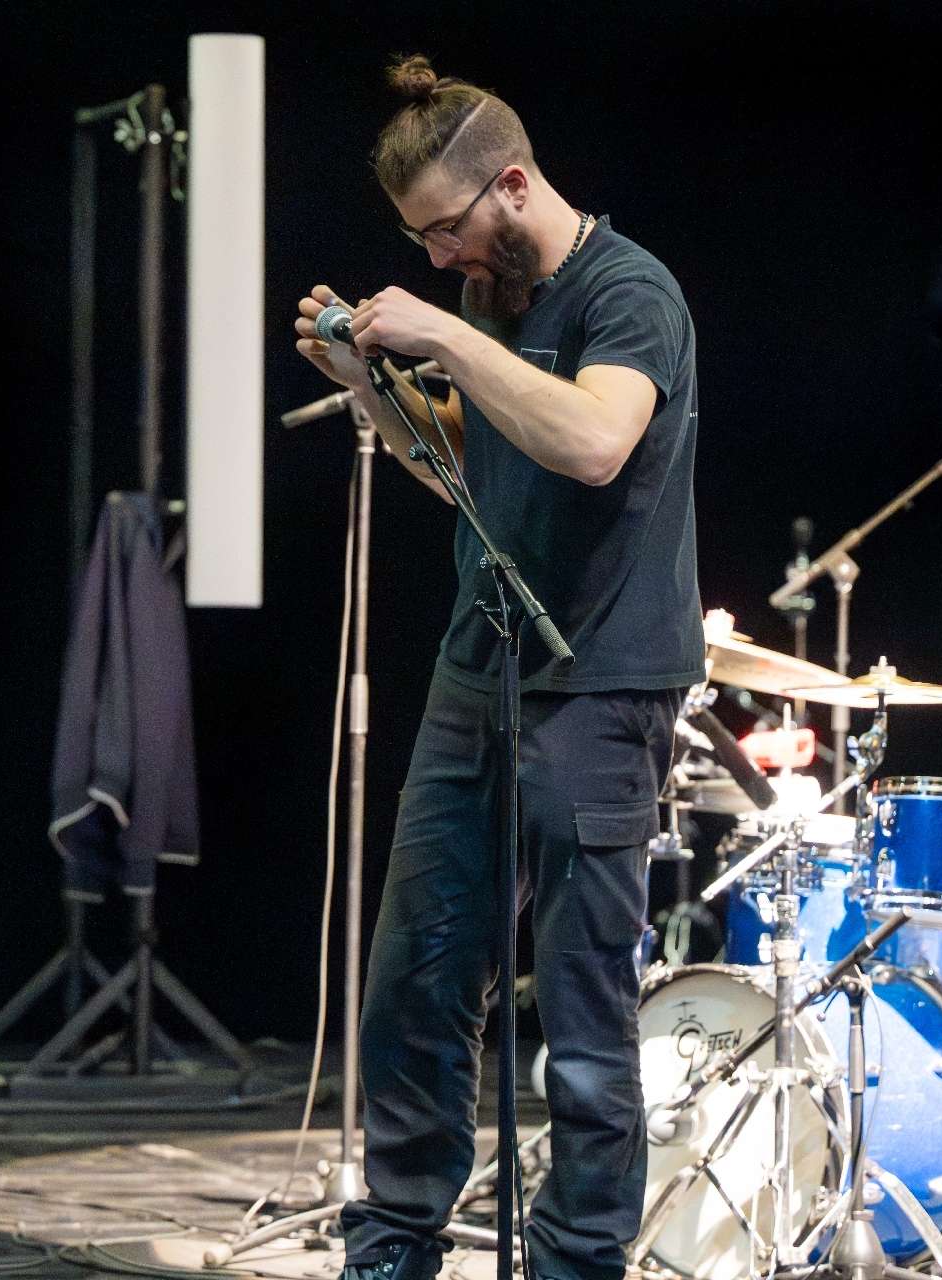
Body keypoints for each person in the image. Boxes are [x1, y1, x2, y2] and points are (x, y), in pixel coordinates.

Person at [291, 55, 703, 1280]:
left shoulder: (632, 295)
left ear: (511, 186)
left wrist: (441, 344)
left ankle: (579, 1261)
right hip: (484, 669)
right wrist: (370, 379)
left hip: (602, 687)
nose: (437, 261)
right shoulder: (493, 303)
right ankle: (393, 1248)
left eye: (447, 231)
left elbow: (589, 438)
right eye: (418, 243)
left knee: (581, 1023)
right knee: (414, 986)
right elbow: (465, 480)